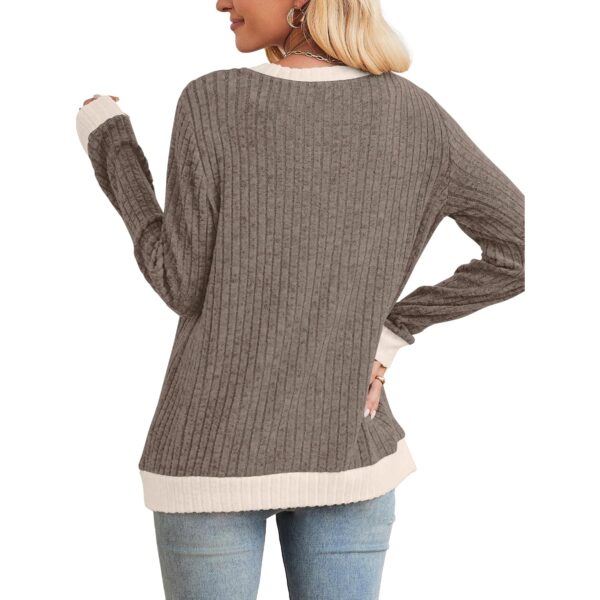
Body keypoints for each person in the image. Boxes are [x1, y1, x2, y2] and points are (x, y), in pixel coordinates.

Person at [75, 0, 525, 598]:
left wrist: (111, 146)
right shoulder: (414, 114)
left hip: (211, 457)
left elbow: (179, 282)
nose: (221, 2)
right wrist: (390, 331)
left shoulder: (213, 100)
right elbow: (524, 248)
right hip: (347, 451)